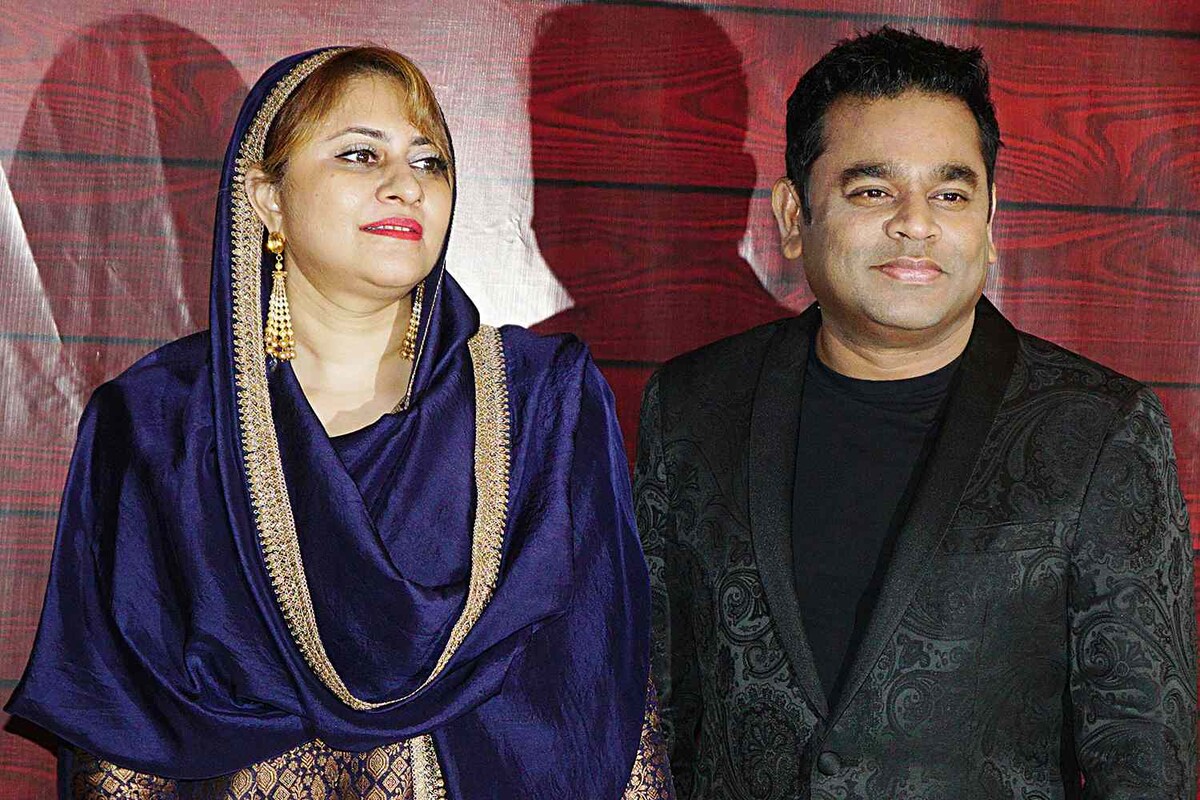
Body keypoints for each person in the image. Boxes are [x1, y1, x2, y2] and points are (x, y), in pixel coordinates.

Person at [7, 46, 672, 799]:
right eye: (361, 154)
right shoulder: (160, 425)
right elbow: (120, 730)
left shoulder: (539, 403)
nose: (406, 185)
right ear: (268, 198)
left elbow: (606, 692)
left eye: (429, 162)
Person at [635, 27, 1196, 799]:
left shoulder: (1099, 430)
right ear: (795, 216)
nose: (916, 223)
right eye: (873, 191)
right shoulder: (693, 406)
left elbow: (1144, 762)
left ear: (990, 223)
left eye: (951, 194)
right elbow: (654, 714)